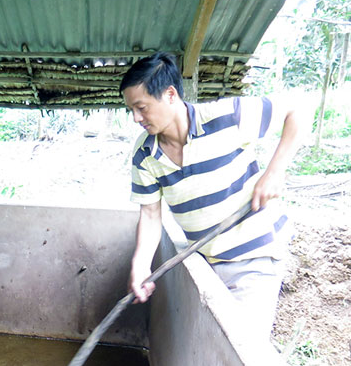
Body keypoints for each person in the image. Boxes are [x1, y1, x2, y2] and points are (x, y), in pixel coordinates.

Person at [120, 52, 302, 337]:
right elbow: (151, 214)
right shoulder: (145, 154)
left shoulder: (227, 117)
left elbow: (297, 111)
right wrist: (141, 264)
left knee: (242, 349)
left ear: (170, 95)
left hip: (253, 257)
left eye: (141, 107)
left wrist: (274, 172)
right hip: (205, 260)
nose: (135, 118)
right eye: (131, 109)